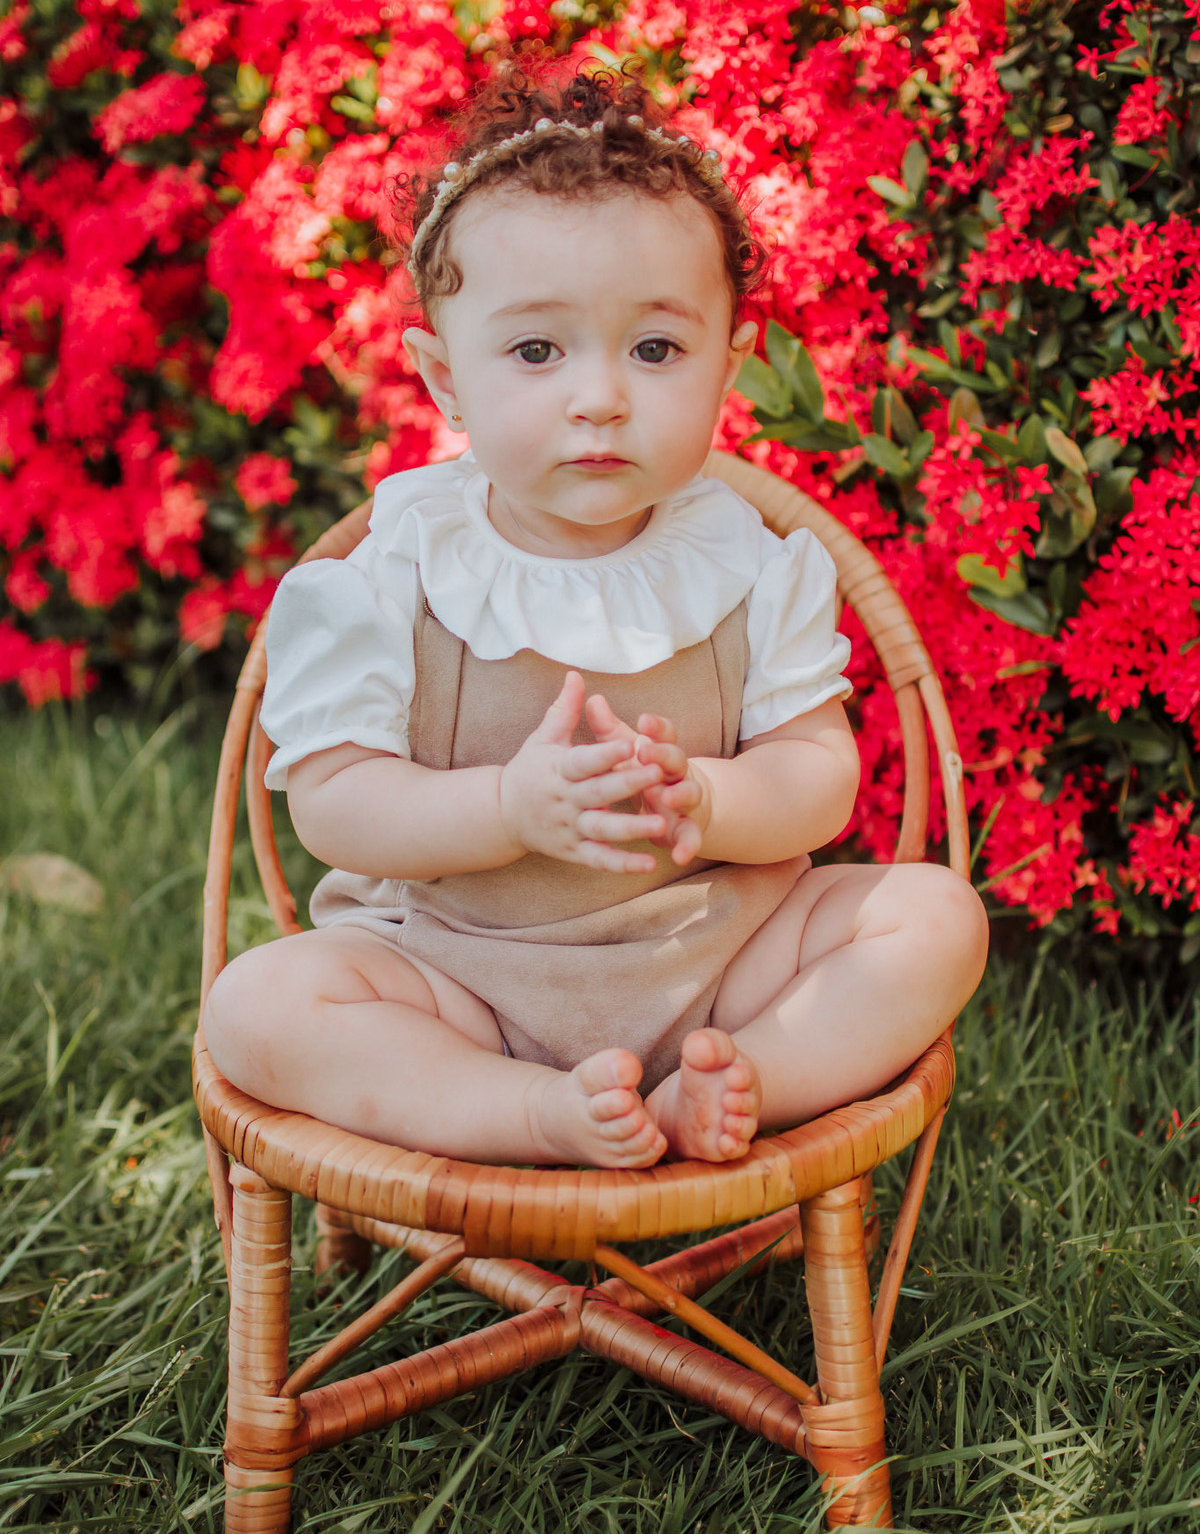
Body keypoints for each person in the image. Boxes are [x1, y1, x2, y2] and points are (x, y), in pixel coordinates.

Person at [203, 70, 988, 1172]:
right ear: (446, 378)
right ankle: (527, 1110)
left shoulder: (754, 566)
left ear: (729, 359)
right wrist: (509, 809)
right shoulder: (392, 572)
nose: (599, 398)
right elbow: (336, 808)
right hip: (465, 973)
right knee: (260, 1004)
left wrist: (709, 799)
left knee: (936, 919)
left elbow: (820, 775)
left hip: (722, 958)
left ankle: (741, 1081)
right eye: (536, 351)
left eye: (655, 350)